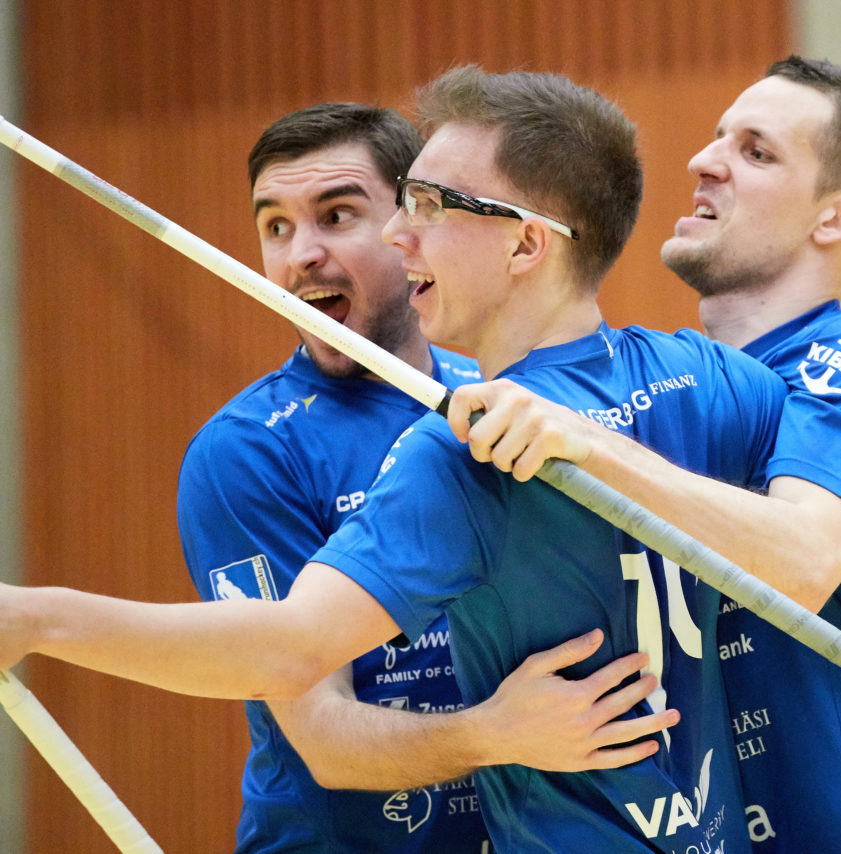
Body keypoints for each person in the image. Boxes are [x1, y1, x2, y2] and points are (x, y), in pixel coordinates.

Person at [0, 68, 796, 852]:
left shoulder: (468, 441)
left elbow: (288, 645)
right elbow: (835, 536)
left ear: (526, 242)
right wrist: (493, 733)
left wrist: (40, 618)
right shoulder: (706, 372)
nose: (394, 236)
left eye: (422, 207)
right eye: (274, 227)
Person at [444, 56, 841, 851]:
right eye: (718, 137)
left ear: (838, 215)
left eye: (756, 152)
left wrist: (591, 446)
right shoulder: (677, 387)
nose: (703, 161)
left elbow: (803, 559)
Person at [176, 102, 673, 852]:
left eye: (336, 216)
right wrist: (496, 733)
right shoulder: (244, 452)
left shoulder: (503, 393)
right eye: (275, 227)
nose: (300, 255)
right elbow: (324, 741)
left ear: (412, 226)